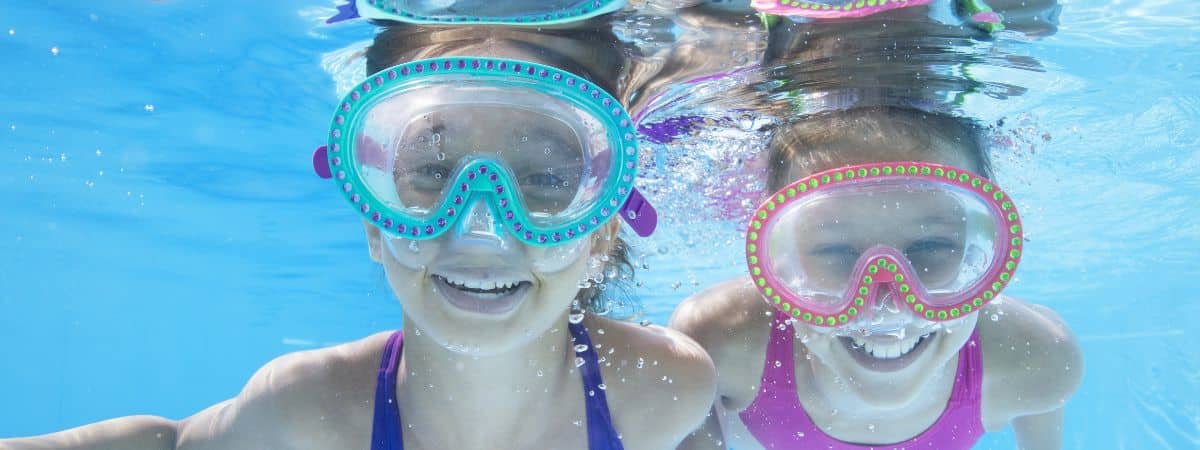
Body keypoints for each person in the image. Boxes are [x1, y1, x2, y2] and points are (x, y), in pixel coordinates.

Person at [1, 4, 717, 449]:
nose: (481, 227)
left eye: (546, 181)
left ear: (601, 230)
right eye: (433, 173)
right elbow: (174, 442)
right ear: (370, 217)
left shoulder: (667, 390)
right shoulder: (310, 412)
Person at [671, 105, 1082, 450]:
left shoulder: (1037, 360)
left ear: (984, 249)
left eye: (931, 247)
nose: (885, 303)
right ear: (780, 262)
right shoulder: (719, 344)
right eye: (834, 251)